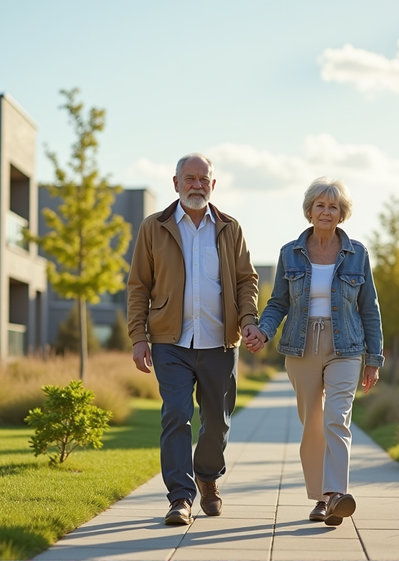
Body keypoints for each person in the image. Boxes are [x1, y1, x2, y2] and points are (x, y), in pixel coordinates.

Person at [127, 152, 260, 526]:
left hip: (220, 341)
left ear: (213, 185)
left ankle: (207, 477)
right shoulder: (154, 227)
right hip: (171, 342)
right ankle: (180, 498)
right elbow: (139, 285)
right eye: (190, 179)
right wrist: (139, 337)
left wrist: (248, 320)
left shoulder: (230, 228)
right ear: (175, 183)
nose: (197, 185)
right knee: (176, 415)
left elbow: (247, 280)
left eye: (204, 179)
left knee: (217, 422)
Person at [244, 177, 382, 526]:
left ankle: (336, 494)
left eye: (333, 206)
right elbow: (278, 303)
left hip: (346, 346)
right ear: (310, 210)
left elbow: (370, 309)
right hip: (301, 345)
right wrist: (263, 330)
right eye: (320, 205)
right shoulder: (290, 252)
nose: (326, 211)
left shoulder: (358, 254)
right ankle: (321, 499)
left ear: (342, 213)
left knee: (337, 418)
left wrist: (374, 359)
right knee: (313, 425)